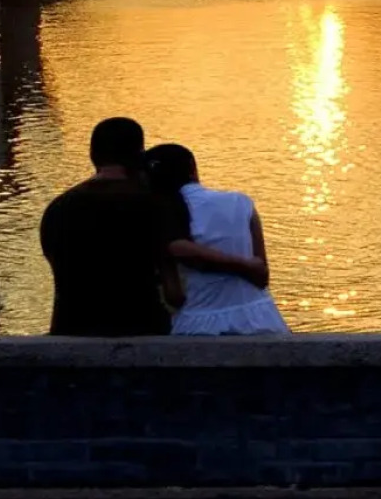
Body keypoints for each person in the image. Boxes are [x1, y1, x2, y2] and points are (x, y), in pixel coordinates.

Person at [39, 118, 262, 337]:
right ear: (139, 157)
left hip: (69, 331)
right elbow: (175, 291)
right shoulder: (156, 203)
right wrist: (244, 265)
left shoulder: (57, 208)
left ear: (92, 155)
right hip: (141, 331)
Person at [145, 143, 291, 336]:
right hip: (260, 318)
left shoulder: (160, 215)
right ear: (192, 168)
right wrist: (244, 267)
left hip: (198, 324)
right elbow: (262, 274)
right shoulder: (241, 202)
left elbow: (175, 296)